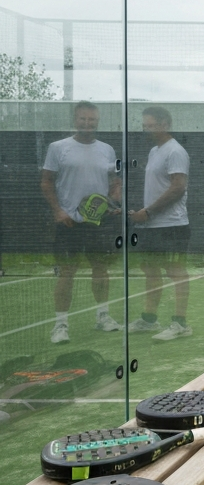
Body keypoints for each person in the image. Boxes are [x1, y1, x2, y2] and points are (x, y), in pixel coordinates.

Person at [41, 101, 122, 343]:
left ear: (97, 121)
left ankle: (103, 317)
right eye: (83, 119)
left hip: (98, 224)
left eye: (92, 120)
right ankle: (61, 325)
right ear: (75, 120)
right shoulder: (58, 148)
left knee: (101, 270)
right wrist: (58, 211)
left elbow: (114, 182)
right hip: (68, 223)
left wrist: (114, 200)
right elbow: (46, 181)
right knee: (67, 273)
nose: (87, 123)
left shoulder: (107, 150)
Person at [127, 106, 192, 341]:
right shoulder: (155, 151)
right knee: (151, 271)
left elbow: (178, 187)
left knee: (175, 271)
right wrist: (143, 213)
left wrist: (149, 211)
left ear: (165, 124)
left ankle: (180, 324)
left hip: (172, 225)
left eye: (151, 125)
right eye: (145, 125)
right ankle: (149, 319)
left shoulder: (175, 151)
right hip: (152, 225)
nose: (147, 129)